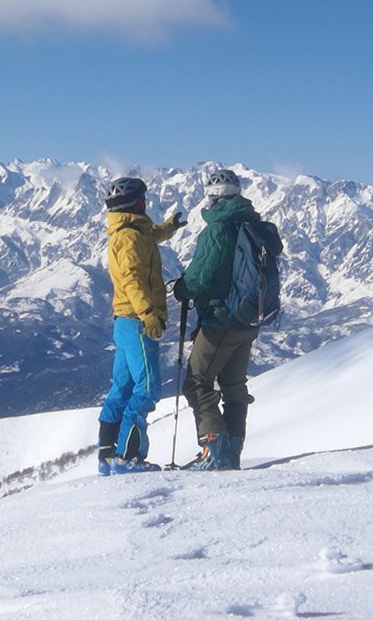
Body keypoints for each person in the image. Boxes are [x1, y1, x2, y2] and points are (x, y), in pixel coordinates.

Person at [172, 169, 278, 470]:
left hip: (221, 319)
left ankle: (214, 448)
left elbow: (200, 276)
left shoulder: (217, 230)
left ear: (212, 198)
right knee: (234, 385)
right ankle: (232, 451)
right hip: (249, 320)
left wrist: (181, 289)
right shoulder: (252, 224)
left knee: (197, 383)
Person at [97, 176, 186, 475]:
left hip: (123, 322)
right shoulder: (131, 237)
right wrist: (149, 314)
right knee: (147, 389)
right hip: (136, 321)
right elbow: (133, 280)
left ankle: (107, 456)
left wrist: (169, 228)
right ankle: (127, 458)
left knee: (120, 390)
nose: (145, 203)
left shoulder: (128, 230)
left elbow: (149, 235)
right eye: (142, 199)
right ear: (135, 202)